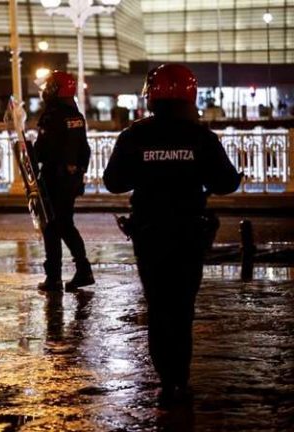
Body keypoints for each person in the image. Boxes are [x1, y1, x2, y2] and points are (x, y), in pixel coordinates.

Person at [103, 64, 241, 406]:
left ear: (151, 95)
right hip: (189, 232)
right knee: (182, 306)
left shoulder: (134, 135)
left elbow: (114, 183)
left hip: (148, 233)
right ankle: (180, 379)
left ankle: (165, 381)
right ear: (190, 96)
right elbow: (224, 183)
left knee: (158, 305)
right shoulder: (201, 138)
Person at [33, 70, 94, 292]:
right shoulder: (76, 116)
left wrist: (29, 152)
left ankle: (54, 277)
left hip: (53, 179)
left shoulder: (52, 116)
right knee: (66, 224)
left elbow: (41, 150)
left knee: (51, 227)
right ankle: (83, 269)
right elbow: (85, 149)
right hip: (72, 179)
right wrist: (78, 171)